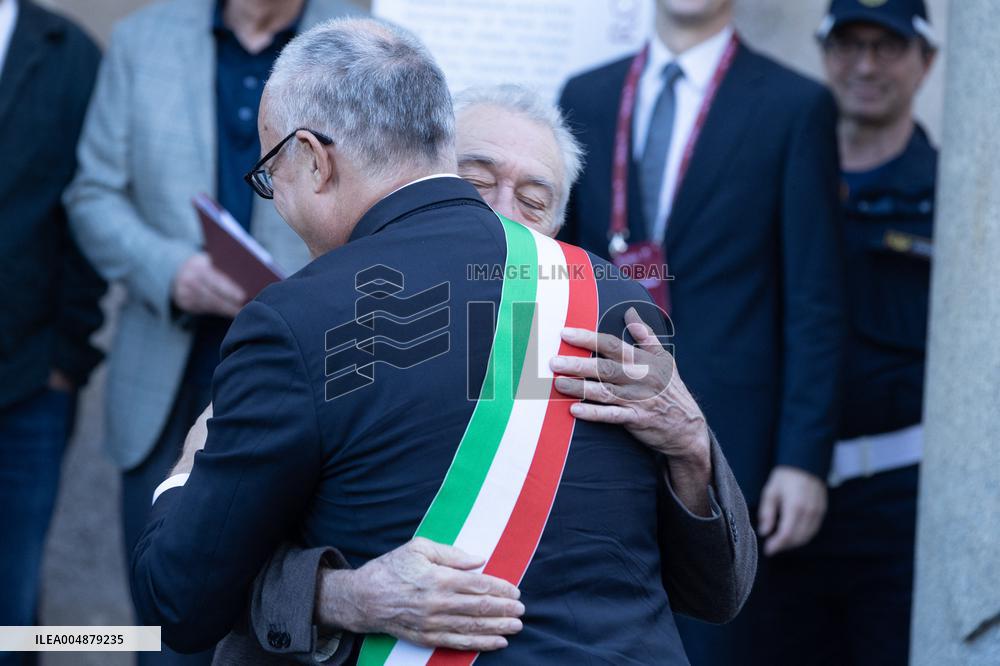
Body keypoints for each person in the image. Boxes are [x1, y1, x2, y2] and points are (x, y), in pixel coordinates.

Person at [130, 18, 755, 665]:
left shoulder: (296, 322)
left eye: (273, 173)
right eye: (484, 180)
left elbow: (179, 600)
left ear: (314, 160)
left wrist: (189, 466)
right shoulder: (615, 299)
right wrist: (340, 595)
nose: (504, 212)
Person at [64, 1, 358, 662]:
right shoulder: (145, 40)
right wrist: (170, 272)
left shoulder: (362, 45)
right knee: (163, 621)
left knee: (281, 613)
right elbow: (93, 195)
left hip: (311, 378)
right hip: (166, 373)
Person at [557, 0, 846, 662]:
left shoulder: (794, 106)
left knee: (717, 642)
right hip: (599, 419)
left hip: (731, 440)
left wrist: (804, 460)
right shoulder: (587, 95)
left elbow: (815, 297)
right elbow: (556, 272)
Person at [753, 2, 938, 664]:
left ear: (927, 61)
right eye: (848, 44)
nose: (865, 65)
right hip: (771, 495)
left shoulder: (951, 196)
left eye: (886, 47)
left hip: (895, 505)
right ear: (823, 53)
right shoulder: (773, 180)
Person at [0, 2, 104, 664]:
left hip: (28, 385)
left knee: (11, 608)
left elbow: (89, 206)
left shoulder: (70, 53)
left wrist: (64, 357)